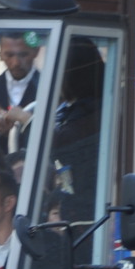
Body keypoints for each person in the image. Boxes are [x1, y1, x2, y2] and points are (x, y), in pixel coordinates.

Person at [46, 38, 107, 225]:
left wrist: (27, 122)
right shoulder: (67, 109)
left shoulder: (93, 111)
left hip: (87, 210)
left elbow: (64, 144)